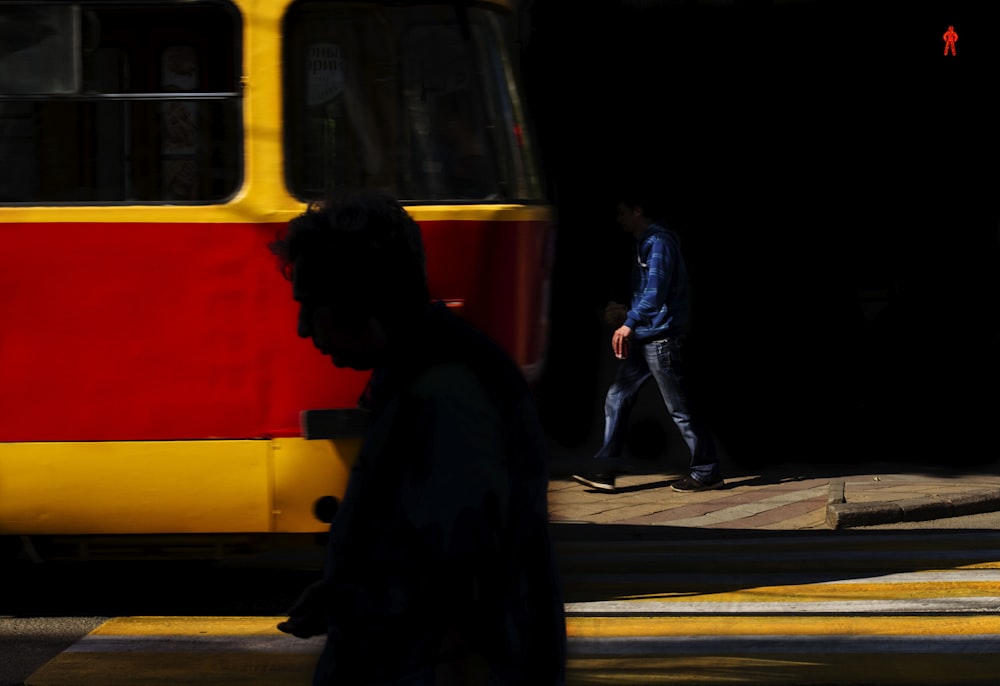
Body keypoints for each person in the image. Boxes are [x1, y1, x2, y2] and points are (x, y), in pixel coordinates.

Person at [268, 191, 566, 685]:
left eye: (310, 307)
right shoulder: (425, 375)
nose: (302, 329)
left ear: (356, 298)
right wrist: (343, 592)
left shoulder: (441, 395)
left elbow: (458, 585)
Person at [571, 189, 723, 494]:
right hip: (647, 336)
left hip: (661, 340)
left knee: (679, 407)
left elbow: (655, 295)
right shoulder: (646, 244)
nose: (620, 220)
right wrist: (628, 315)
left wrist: (628, 324)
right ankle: (605, 469)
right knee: (617, 397)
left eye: (623, 213)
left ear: (638, 211)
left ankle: (707, 471)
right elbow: (648, 297)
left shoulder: (659, 243)